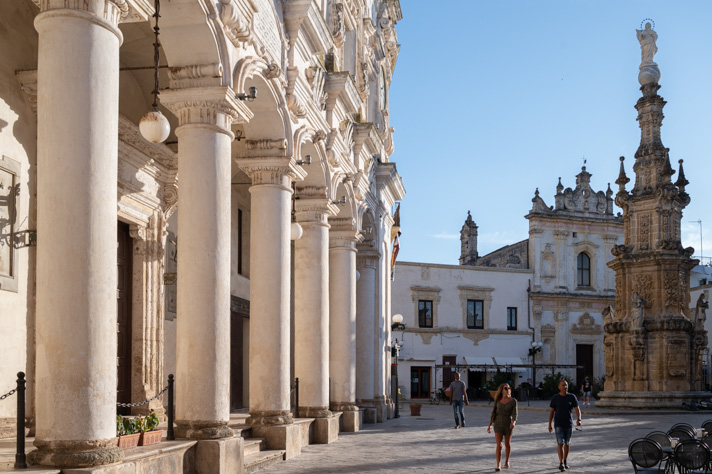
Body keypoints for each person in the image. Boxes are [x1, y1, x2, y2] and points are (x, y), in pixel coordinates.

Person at [548, 380, 582, 472]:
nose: (565, 387)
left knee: (567, 443)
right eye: (563, 385)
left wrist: (579, 419)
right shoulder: (555, 398)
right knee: (560, 443)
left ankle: (565, 460)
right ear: (559, 387)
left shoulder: (572, 397)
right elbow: (552, 412)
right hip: (558, 424)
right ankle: (561, 463)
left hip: (569, 424)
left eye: (566, 385)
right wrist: (549, 424)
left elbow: (577, 409)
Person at [487, 383, 518, 471]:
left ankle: (507, 461)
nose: (508, 389)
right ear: (502, 390)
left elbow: (515, 414)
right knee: (499, 445)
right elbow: (493, 413)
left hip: (508, 424)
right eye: (506, 388)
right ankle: (498, 464)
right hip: (498, 424)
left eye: (509, 388)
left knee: (507, 444)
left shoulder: (513, 401)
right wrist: (489, 425)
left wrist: (513, 422)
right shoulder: (497, 400)